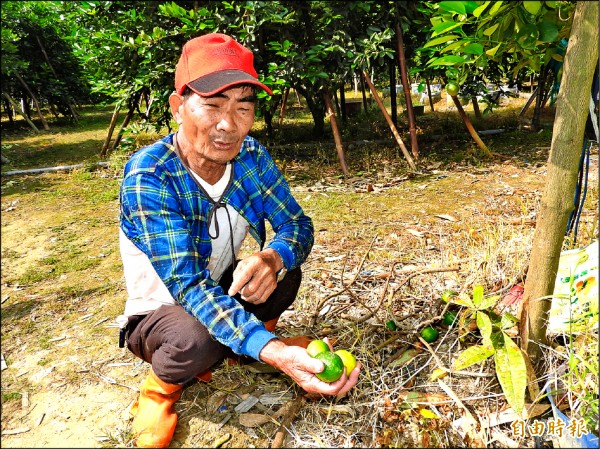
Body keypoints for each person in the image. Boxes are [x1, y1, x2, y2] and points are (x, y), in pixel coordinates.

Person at [116, 33, 361, 448]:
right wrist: (277, 353)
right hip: (162, 314)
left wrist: (272, 256)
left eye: (242, 106)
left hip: (218, 290)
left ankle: (248, 344)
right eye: (212, 105)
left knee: (283, 271)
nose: (229, 124)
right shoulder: (150, 176)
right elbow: (190, 287)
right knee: (195, 337)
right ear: (178, 108)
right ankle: (161, 389)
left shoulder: (250, 158)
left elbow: (297, 225)